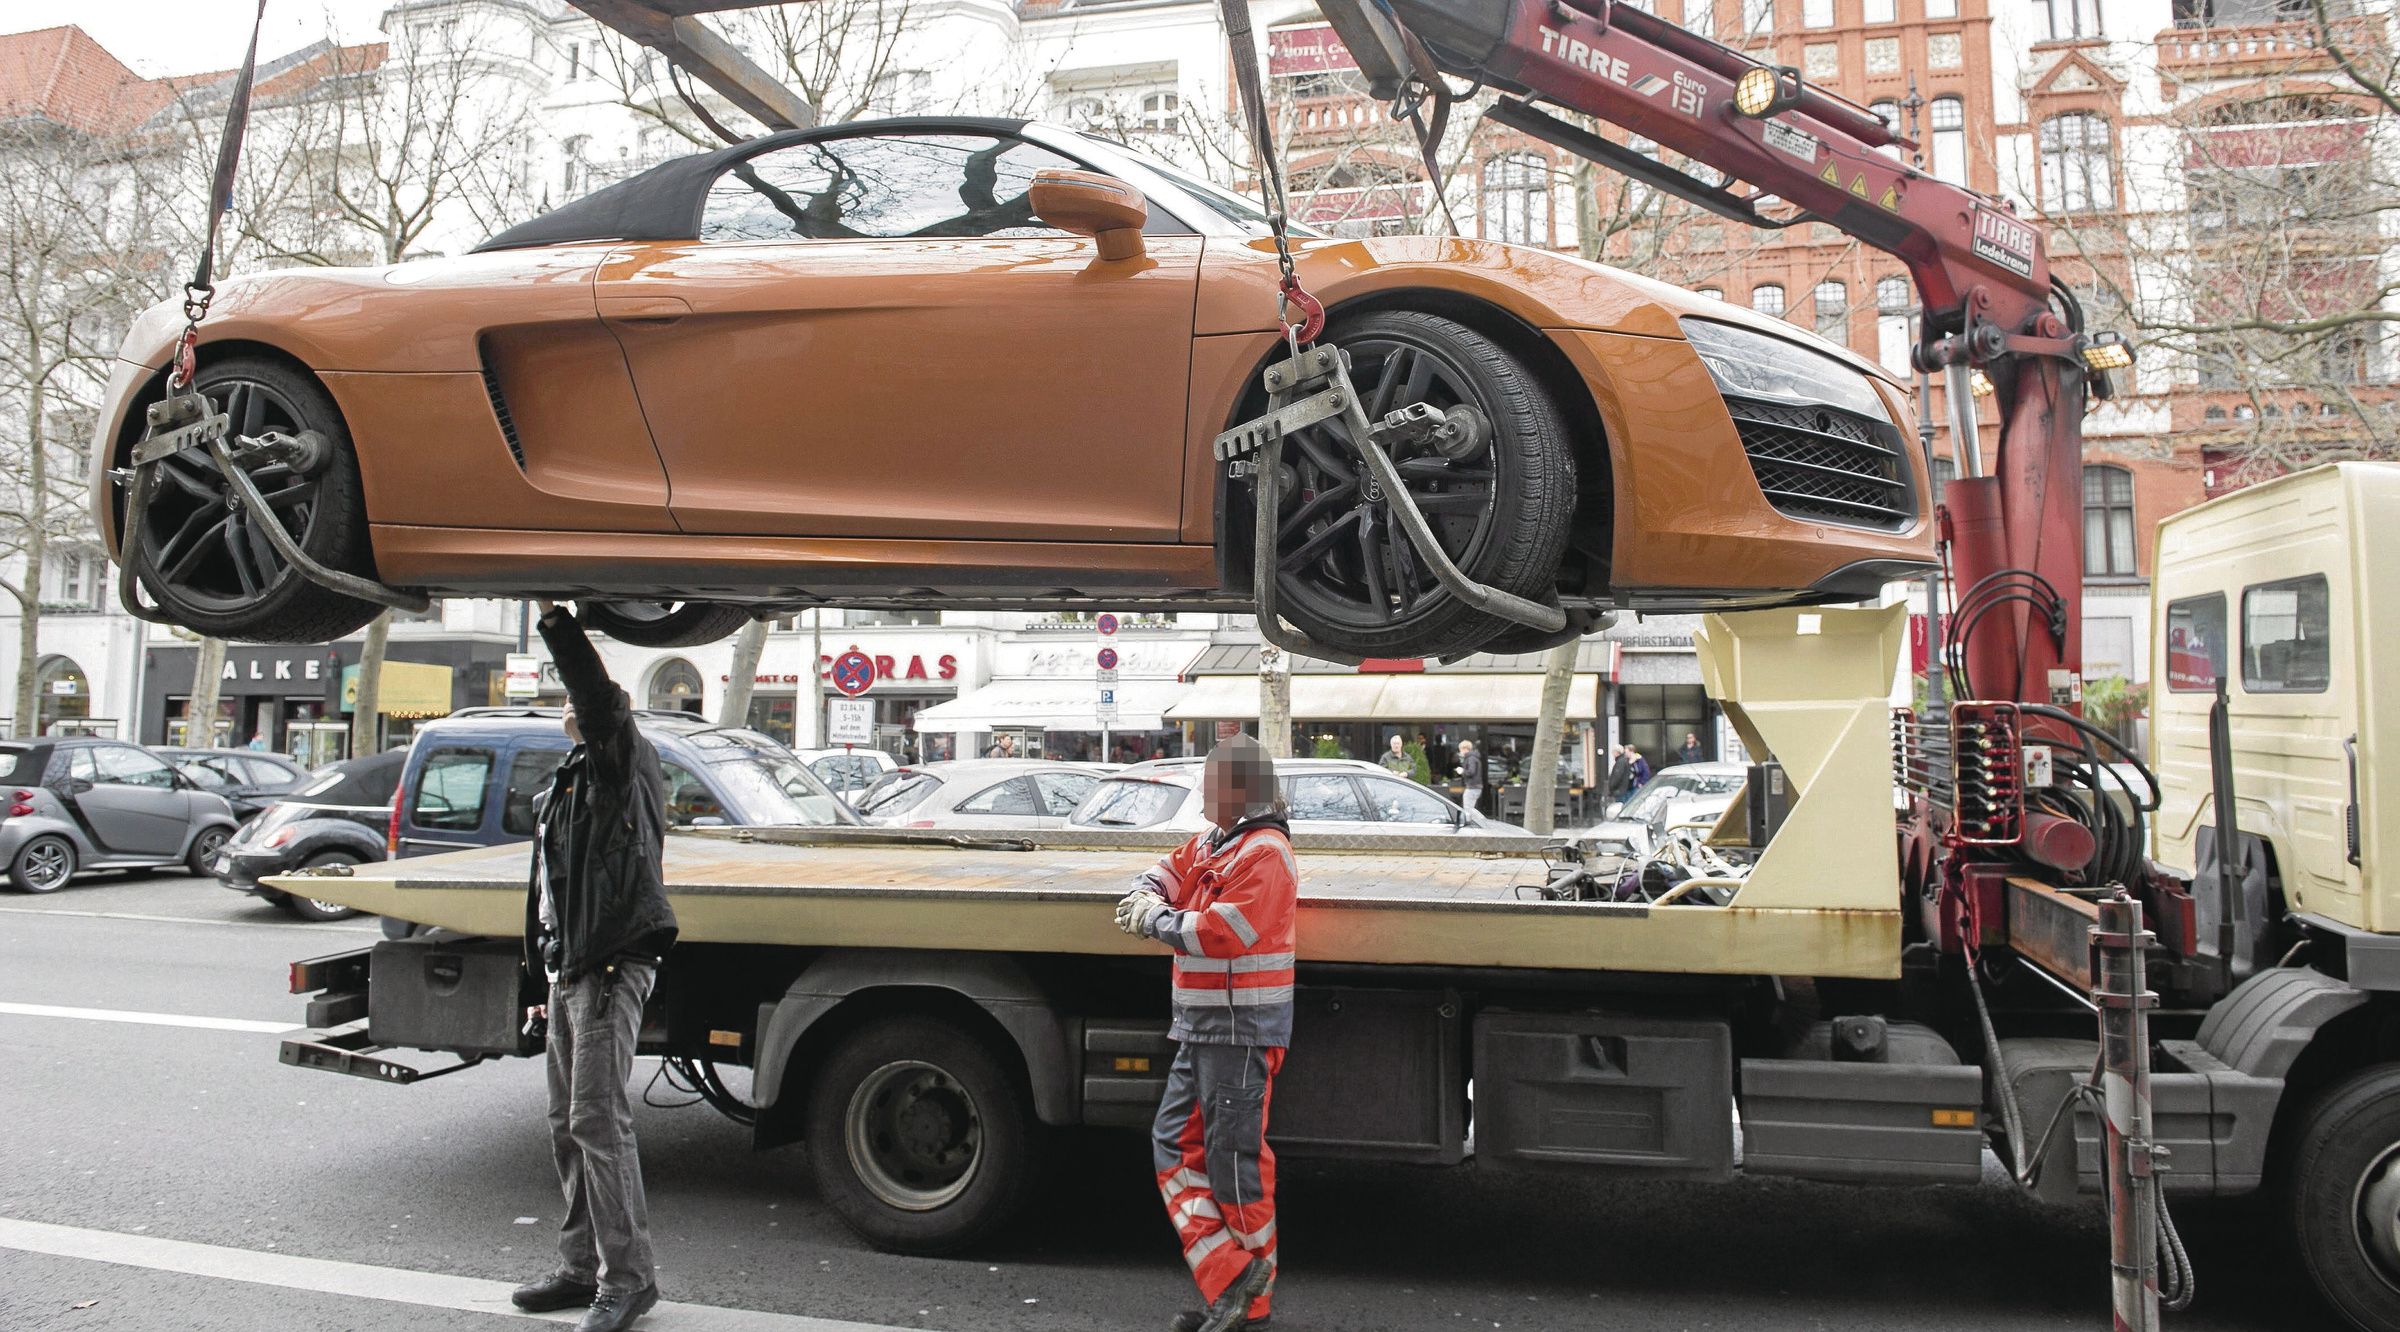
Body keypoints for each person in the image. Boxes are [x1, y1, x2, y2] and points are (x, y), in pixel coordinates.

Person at [514, 602, 679, 1332]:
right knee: (566, 1122)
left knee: (596, 1120)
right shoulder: (571, 779)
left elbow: (597, 696)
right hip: (572, 966)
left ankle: (630, 1279)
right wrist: (541, 979)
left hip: (612, 962)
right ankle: (582, 1267)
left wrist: (557, 623)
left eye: (576, 702)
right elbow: (550, 892)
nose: (568, 708)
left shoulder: (620, 764)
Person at [1115, 734, 1296, 1332]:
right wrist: (1148, 896)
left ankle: (1249, 1306)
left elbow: (1224, 932)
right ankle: (1231, 1282)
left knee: (1233, 1166)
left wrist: (1156, 919)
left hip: (1239, 1031)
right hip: (1207, 1028)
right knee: (1177, 1147)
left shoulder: (1265, 853)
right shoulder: (1218, 842)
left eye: (1213, 787)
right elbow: (1165, 872)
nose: (1203, 799)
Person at [1456, 739, 1485, 817]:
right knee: (1470, 808)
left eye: (1460, 749)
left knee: (1468, 808)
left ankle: (1483, 821)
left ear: (1465, 749)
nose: (1460, 752)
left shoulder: (1471, 758)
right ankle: (1482, 820)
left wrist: (1462, 771)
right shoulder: (1474, 757)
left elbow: (1471, 772)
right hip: (1475, 786)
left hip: (1472, 787)